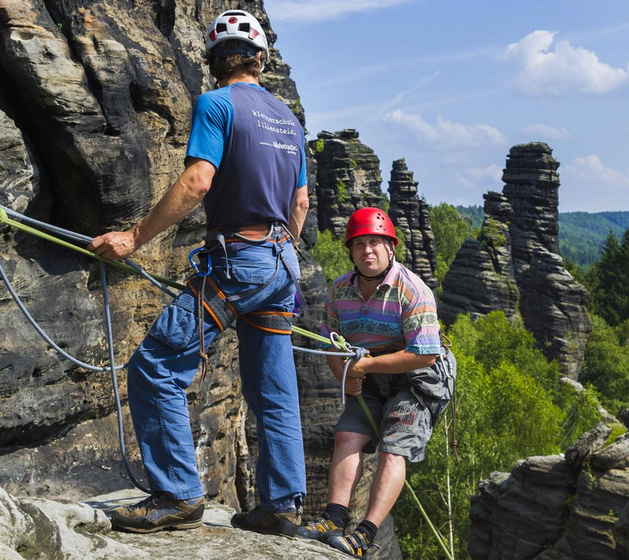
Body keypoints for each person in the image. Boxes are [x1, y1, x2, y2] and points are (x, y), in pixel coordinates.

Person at [88, 9, 309, 537]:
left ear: (213, 60)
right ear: (261, 58)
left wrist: (135, 237)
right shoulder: (289, 119)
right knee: (275, 391)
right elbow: (299, 203)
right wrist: (278, 257)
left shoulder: (216, 103)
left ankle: (177, 494)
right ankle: (280, 506)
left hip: (240, 261)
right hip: (282, 263)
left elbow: (197, 183)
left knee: (157, 365)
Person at [297, 208, 455, 557]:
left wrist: (363, 367)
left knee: (393, 446)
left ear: (390, 248)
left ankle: (365, 534)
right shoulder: (340, 291)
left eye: (375, 243)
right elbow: (331, 343)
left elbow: (425, 354)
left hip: (417, 380)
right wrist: (345, 378)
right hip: (368, 375)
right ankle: (333, 519)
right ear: (350, 252)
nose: (367, 251)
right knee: (347, 434)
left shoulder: (413, 290)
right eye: (359, 245)